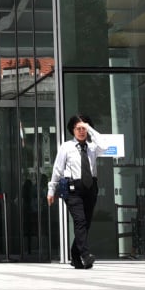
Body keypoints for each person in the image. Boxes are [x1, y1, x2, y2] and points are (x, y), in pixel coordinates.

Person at [47, 115, 105, 269]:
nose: (81, 131)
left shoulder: (92, 147)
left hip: (91, 188)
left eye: (83, 128)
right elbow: (57, 169)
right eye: (78, 128)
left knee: (86, 224)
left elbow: (105, 145)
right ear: (72, 130)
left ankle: (75, 254)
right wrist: (51, 190)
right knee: (80, 221)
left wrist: (90, 128)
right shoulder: (66, 147)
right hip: (73, 189)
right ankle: (85, 255)